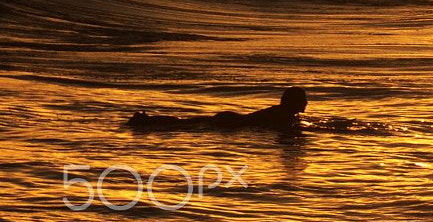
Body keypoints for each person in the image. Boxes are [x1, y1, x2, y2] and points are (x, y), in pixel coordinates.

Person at [127, 87, 308, 135]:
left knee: (186, 123)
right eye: (303, 99)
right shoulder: (283, 117)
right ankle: (147, 122)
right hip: (232, 123)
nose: (307, 103)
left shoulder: (285, 115)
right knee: (184, 125)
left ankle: (148, 121)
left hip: (233, 121)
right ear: (293, 102)